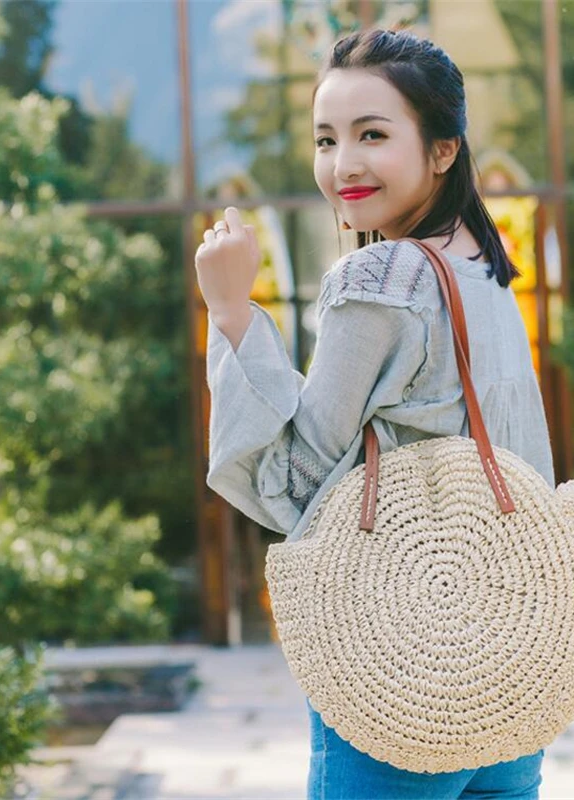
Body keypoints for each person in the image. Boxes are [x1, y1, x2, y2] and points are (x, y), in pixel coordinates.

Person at [195, 26, 554, 800]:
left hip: (402, 674)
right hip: (510, 676)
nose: (343, 164)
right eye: (326, 139)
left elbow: (293, 488)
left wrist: (232, 314)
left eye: (372, 134)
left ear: (443, 150)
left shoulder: (381, 276)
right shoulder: (485, 272)